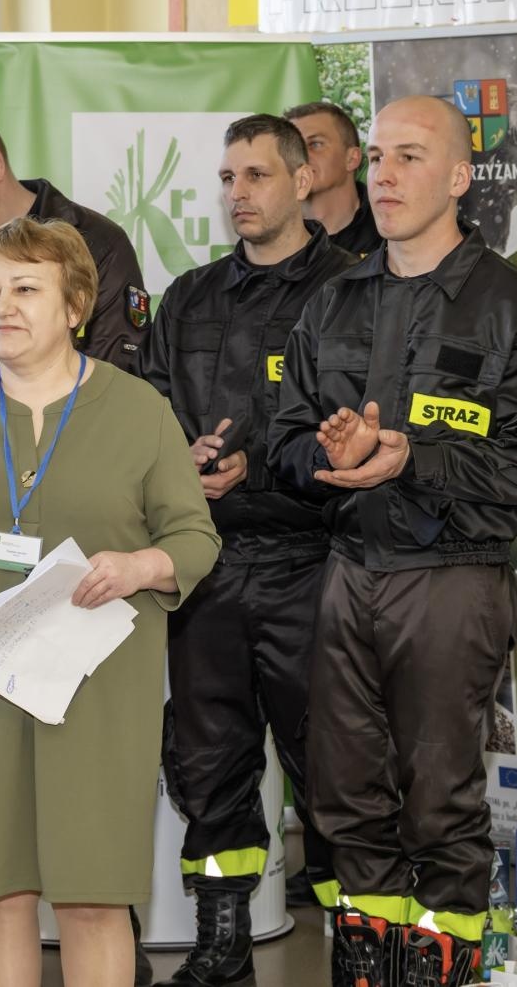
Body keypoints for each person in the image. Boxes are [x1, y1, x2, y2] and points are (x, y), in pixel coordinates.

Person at [268, 96, 517, 987]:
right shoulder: (333, 303)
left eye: (410, 156)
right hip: (345, 576)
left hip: (452, 584)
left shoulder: (513, 308)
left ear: (459, 177)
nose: (385, 177)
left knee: (440, 808)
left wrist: (408, 458)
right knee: (344, 807)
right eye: (379, 160)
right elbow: (281, 442)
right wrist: (329, 457)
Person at [0, 216, 219, 987]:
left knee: (93, 898)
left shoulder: (139, 411)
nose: (3, 306)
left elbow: (196, 540)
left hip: (90, 685)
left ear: (75, 306)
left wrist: (138, 566)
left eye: (27, 288)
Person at [132, 114, 355, 987]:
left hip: (315, 564)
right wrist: (176, 463)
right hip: (206, 567)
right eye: (228, 178)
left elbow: (355, 427)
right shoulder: (187, 295)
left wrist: (256, 467)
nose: (239, 194)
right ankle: (220, 942)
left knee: (332, 764)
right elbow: (149, 405)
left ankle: (357, 945)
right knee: (208, 758)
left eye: (257, 175)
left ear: (303, 180)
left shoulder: (353, 291)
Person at [285, 101, 382, 258]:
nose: (300, 156)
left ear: (351, 159)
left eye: (315, 144)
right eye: (293, 147)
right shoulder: (271, 235)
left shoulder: (390, 231)